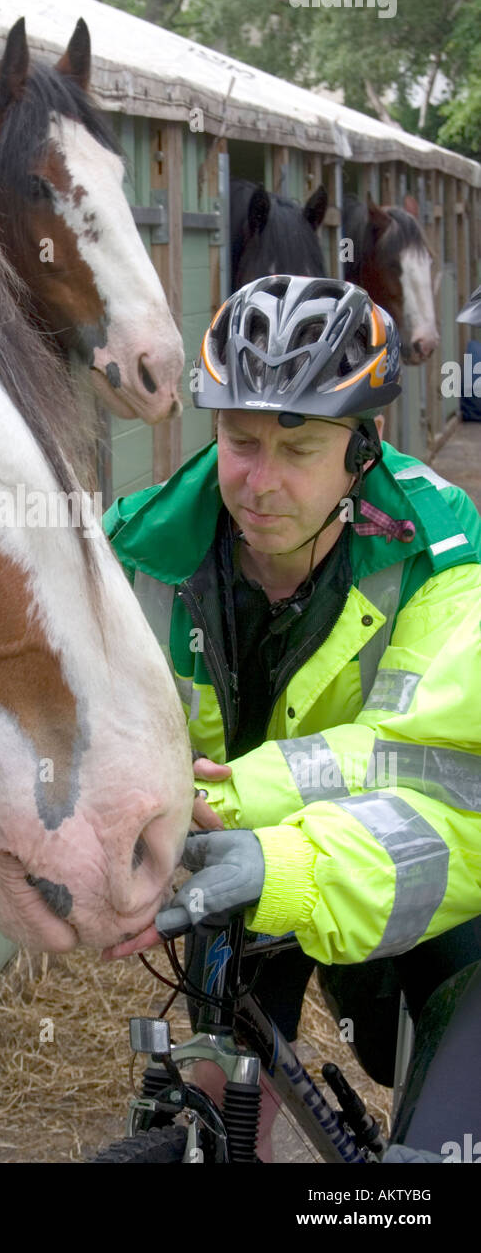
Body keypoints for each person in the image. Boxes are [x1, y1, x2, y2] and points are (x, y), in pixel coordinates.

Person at [101, 275, 481, 1161]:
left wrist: (258, 822)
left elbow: (451, 777)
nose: (259, 483)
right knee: (220, 1091)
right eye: (240, 440)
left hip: (418, 871)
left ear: (362, 452)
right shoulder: (139, 553)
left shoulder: (442, 548)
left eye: (299, 447)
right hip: (233, 872)